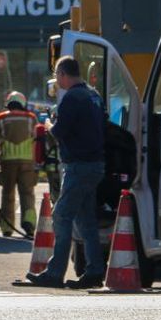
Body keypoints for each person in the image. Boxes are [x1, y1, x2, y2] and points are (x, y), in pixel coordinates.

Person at [26, 56, 107, 289]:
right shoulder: (94, 95)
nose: (56, 81)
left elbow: (60, 131)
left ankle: (54, 273)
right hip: (95, 164)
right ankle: (94, 272)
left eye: (56, 76)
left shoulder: (72, 98)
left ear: (62, 74)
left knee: (61, 216)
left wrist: (49, 124)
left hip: (78, 166)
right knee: (86, 220)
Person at [0, 91, 39, 237]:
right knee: (27, 194)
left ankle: (7, 227)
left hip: (7, 162)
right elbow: (37, 137)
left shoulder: (1, 118)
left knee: (8, 194)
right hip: (27, 162)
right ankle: (29, 225)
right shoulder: (31, 118)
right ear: (23, 103)